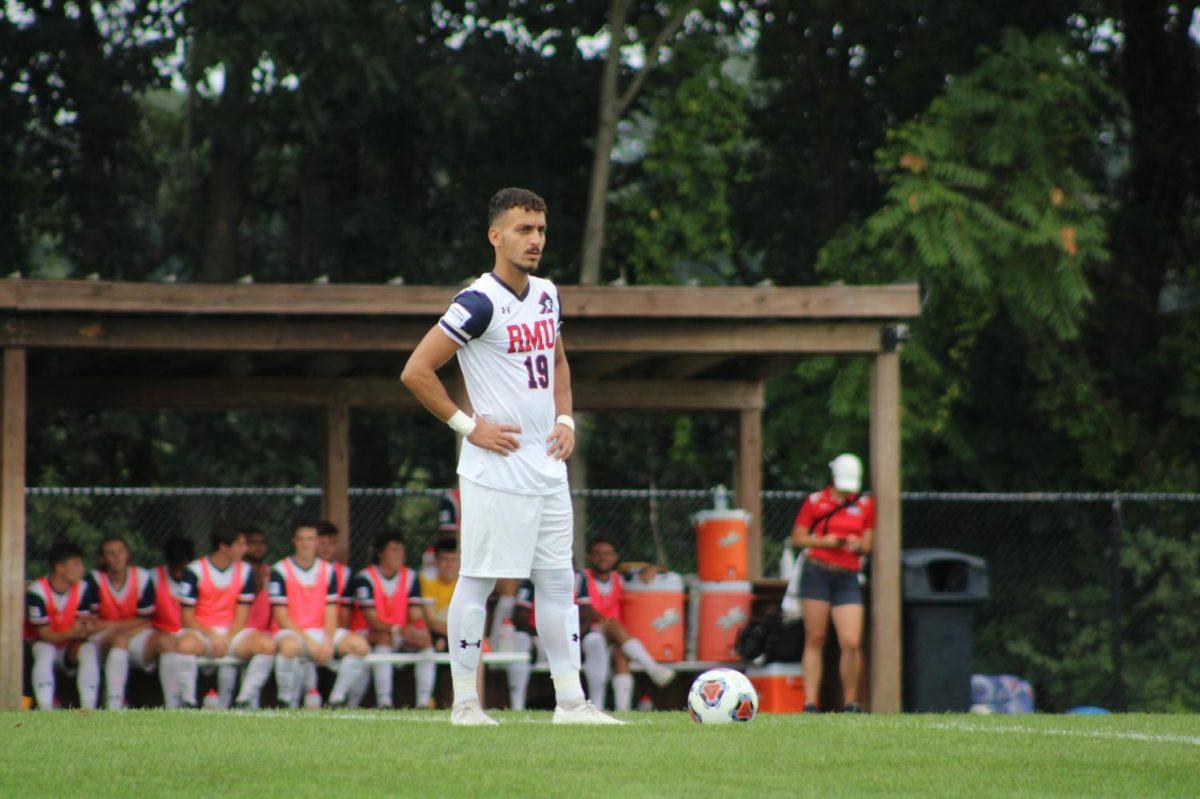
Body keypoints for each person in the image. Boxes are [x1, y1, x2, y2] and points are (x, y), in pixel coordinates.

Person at [401, 187, 619, 725]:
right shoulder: (476, 301)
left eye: (541, 230)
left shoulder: (547, 294)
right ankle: (465, 703)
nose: (536, 240)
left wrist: (567, 420)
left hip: (547, 468)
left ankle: (570, 702)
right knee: (476, 579)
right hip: (495, 471)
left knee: (557, 583)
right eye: (524, 229)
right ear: (495, 236)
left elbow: (559, 364)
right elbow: (415, 371)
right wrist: (467, 426)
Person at [790, 453, 875, 713]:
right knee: (815, 637)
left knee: (850, 641)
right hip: (817, 572)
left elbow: (868, 543)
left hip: (847, 576)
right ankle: (810, 702)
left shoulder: (865, 504)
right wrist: (823, 542)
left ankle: (850, 702)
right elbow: (798, 538)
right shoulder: (815, 501)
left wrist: (856, 544)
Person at [175, 522, 277, 709]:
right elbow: (187, 617)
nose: (245, 549)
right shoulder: (195, 570)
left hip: (232, 633)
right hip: (203, 633)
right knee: (184, 645)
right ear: (224, 547)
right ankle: (188, 702)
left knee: (267, 645)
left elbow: (242, 613)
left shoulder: (245, 570)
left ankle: (244, 700)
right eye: (240, 544)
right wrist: (213, 636)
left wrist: (226, 638)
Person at [270, 518, 370, 708]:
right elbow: (281, 616)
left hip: (319, 630)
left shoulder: (328, 570)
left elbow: (331, 610)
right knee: (291, 647)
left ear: (316, 541)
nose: (306, 543)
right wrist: (310, 642)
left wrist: (328, 643)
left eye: (310, 539)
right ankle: (285, 700)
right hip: (292, 631)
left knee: (360, 646)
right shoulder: (280, 570)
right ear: (294, 541)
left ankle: (336, 700)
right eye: (302, 539)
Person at [577, 536, 676, 711]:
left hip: (617, 637)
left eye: (608, 553)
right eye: (597, 554)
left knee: (621, 654)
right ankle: (652, 667)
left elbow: (662, 570)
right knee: (613, 625)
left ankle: (624, 711)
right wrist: (605, 622)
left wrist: (651, 569)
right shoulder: (582, 577)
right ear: (590, 557)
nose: (603, 558)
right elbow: (585, 610)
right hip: (588, 633)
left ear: (615, 557)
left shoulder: (620, 578)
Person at [348, 531, 433, 709]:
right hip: (367, 634)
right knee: (384, 638)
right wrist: (399, 630)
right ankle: (384, 701)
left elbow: (416, 613)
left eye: (401, 550)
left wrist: (417, 629)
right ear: (380, 553)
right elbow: (371, 620)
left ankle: (423, 703)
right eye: (393, 549)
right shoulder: (365, 578)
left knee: (425, 641)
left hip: (398, 632)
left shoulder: (410, 577)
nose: (399, 554)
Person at [84, 535, 164, 709]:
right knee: (119, 640)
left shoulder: (142, 577)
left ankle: (178, 707)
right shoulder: (95, 579)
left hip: (130, 631)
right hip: (102, 635)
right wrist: (117, 627)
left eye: (121, 551)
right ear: (102, 559)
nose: (117, 557)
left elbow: (146, 619)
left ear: (128, 554)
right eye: (111, 553)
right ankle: (114, 705)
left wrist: (111, 625)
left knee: (167, 642)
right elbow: (93, 622)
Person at [25, 541, 100, 710]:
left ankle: (89, 709)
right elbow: (44, 634)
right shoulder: (38, 591)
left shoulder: (83, 588)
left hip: (67, 647)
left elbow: (82, 626)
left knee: (88, 649)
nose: (81, 568)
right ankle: (46, 708)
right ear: (60, 568)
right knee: (46, 650)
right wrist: (73, 632)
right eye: (76, 564)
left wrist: (78, 631)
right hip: (39, 648)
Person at [149, 536, 193, 708]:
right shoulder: (153, 577)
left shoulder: (197, 576)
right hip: (161, 635)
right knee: (169, 645)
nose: (179, 574)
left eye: (183, 568)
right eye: (175, 569)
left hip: (190, 636)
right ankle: (173, 705)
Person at [419, 536, 460, 649]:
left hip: (457, 633)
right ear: (436, 561)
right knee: (440, 643)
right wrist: (460, 635)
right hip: (436, 633)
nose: (449, 565)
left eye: (454, 560)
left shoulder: (465, 582)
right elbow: (432, 622)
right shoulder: (428, 580)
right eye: (445, 559)